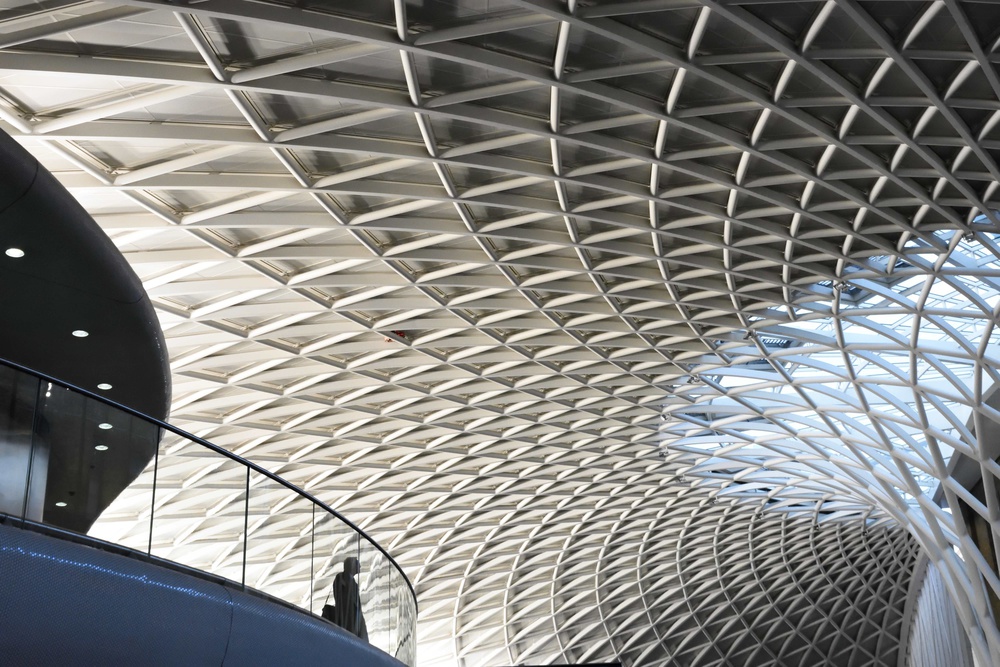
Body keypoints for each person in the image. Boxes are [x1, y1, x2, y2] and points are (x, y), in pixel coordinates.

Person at [322, 556, 368, 641]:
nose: (360, 566)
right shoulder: (341, 577)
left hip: (354, 619)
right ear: (351, 565)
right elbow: (340, 596)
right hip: (346, 617)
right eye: (357, 564)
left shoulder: (354, 583)